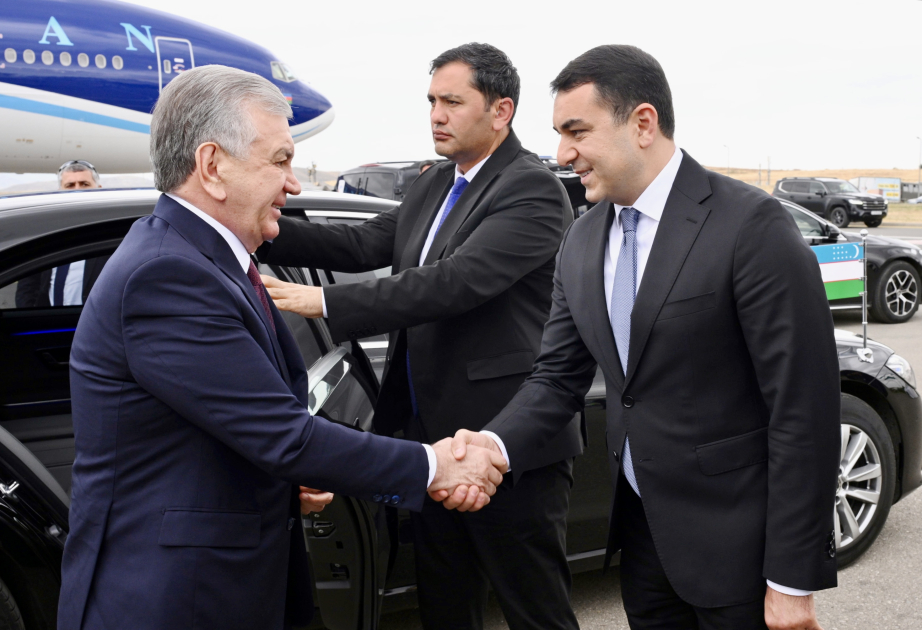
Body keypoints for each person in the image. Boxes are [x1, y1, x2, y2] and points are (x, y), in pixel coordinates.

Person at [58, 65, 506, 630]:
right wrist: (434, 465)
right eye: (279, 161)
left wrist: (282, 481)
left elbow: (218, 425)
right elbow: (282, 434)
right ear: (212, 166)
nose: (293, 184)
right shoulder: (168, 275)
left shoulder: (202, 260)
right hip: (175, 598)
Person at [447, 45, 840, 630]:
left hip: (742, 555)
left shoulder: (751, 225)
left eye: (577, 131)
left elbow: (803, 409)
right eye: (558, 135)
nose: (563, 154)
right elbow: (556, 379)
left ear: (643, 123)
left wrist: (792, 578)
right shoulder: (582, 239)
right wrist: (493, 446)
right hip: (643, 547)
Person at [259, 43, 581, 630]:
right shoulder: (436, 183)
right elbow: (360, 244)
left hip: (506, 444)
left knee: (535, 611)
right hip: (430, 444)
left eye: (452, 102)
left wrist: (324, 302)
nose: (436, 115)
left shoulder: (531, 189)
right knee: (445, 606)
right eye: (432, 101)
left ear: (501, 110)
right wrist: (260, 219)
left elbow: (454, 283)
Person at [15, 161, 108, 307]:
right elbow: (28, 285)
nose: (77, 190)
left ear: (99, 189)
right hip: (52, 320)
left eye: (84, 184)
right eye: (70, 185)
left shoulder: (111, 231)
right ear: (60, 191)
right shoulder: (45, 233)